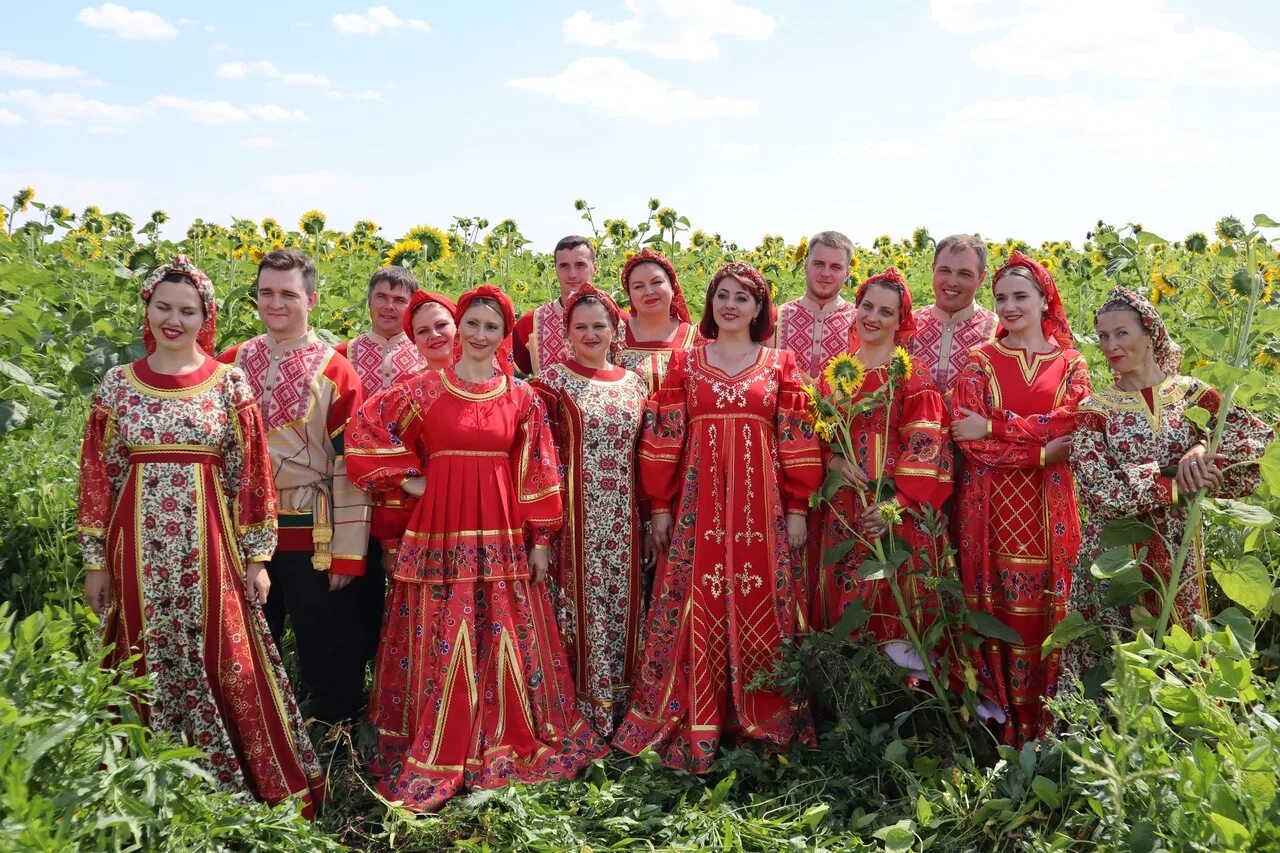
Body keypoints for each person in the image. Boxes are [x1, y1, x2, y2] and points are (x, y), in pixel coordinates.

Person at [78, 255, 324, 816]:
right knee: (141, 652)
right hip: (136, 549)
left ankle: (225, 781)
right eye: (163, 306)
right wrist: (97, 562)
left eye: (187, 310)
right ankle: (139, 784)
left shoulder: (227, 382)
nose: (174, 319)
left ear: (205, 316)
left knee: (223, 652)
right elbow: (98, 476)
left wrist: (258, 557)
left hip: (211, 547)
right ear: (147, 309)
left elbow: (251, 474)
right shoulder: (118, 385)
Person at [346, 285, 605, 811]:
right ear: (458, 328)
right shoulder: (422, 389)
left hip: (503, 527)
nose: (480, 336)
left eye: (491, 327)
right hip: (440, 527)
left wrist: (540, 539)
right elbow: (365, 428)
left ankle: (503, 733)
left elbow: (539, 469)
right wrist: (411, 479)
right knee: (444, 623)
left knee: (504, 622)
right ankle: (441, 736)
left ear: (503, 335)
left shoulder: (522, 397)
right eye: (471, 324)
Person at [612, 263, 823, 772]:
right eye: (722, 296)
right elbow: (662, 440)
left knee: (763, 600)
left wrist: (798, 507)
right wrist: (658, 506)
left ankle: (763, 718)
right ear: (710, 305)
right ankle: (696, 716)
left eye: (742, 298)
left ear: (758, 309)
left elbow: (798, 440)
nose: (730, 305)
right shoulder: (686, 363)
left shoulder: (781, 365)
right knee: (693, 599)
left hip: (763, 509)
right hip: (695, 509)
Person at [1055, 286, 1273, 691]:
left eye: (1121, 333)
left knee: (1182, 645)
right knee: (1114, 657)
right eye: (1103, 336)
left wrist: (1204, 446)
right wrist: (1173, 477)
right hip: (1117, 556)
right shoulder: (1094, 410)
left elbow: (1254, 441)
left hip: (1180, 544)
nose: (1110, 346)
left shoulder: (1192, 392)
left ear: (1150, 333)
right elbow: (1099, 490)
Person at [217, 248, 371, 725]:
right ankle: (256, 732)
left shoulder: (335, 370)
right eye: (266, 293)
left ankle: (336, 734)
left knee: (323, 638)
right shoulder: (232, 363)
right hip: (240, 527)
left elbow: (353, 465)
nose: (275, 303)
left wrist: (348, 552)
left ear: (312, 299)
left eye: (288, 293)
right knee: (245, 639)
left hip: (312, 528)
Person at [950, 251, 1092, 745]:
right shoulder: (979, 361)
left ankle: (1049, 728)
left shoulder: (1071, 363)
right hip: (987, 510)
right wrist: (1037, 451)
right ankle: (997, 730)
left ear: (1043, 300)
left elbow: (1071, 425)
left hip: (1049, 511)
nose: (1010, 307)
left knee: (1047, 610)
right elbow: (970, 442)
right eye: (1002, 298)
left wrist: (996, 423)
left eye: (1020, 297)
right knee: (997, 610)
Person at [529, 284, 650, 738]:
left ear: (616, 328)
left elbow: (644, 455)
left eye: (599, 324)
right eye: (580, 326)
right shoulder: (550, 383)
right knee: (577, 606)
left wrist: (649, 514)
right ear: (567, 332)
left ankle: (621, 706)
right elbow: (535, 458)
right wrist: (541, 531)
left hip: (623, 519)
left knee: (623, 603)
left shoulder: (634, 382)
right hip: (573, 519)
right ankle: (575, 710)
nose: (591, 333)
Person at [814, 269, 953, 646]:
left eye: (885, 312)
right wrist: (837, 465)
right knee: (845, 600)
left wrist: (898, 503)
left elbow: (927, 445)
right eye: (867, 306)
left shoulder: (910, 375)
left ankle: (901, 691)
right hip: (844, 507)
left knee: (896, 599)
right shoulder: (834, 374)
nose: (873, 317)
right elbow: (818, 439)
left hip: (896, 511)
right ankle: (842, 689)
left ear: (900, 321)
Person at [334, 265, 423, 666]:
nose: (390, 306)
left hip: (411, 490)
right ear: (369, 300)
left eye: (400, 300)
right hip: (353, 487)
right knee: (358, 587)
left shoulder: (426, 350)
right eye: (382, 297)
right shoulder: (342, 355)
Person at [911, 235, 999, 395]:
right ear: (933, 270)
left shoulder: (998, 330)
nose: (952, 282)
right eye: (945, 271)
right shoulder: (907, 325)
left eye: (964, 274)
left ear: (981, 278)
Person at [773, 230, 858, 383]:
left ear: (847, 274)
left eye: (836, 267)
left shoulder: (860, 321)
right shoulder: (775, 318)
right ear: (806, 265)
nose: (825, 273)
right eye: (818, 264)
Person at [617, 248, 704, 393]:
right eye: (638, 286)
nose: (649, 292)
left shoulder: (696, 339)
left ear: (672, 288)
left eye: (656, 282)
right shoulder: (614, 338)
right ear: (629, 294)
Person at [514, 235, 599, 375]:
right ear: (556, 270)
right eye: (564, 266)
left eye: (580, 265)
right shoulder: (531, 323)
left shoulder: (619, 321)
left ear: (594, 268)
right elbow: (511, 382)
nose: (572, 274)